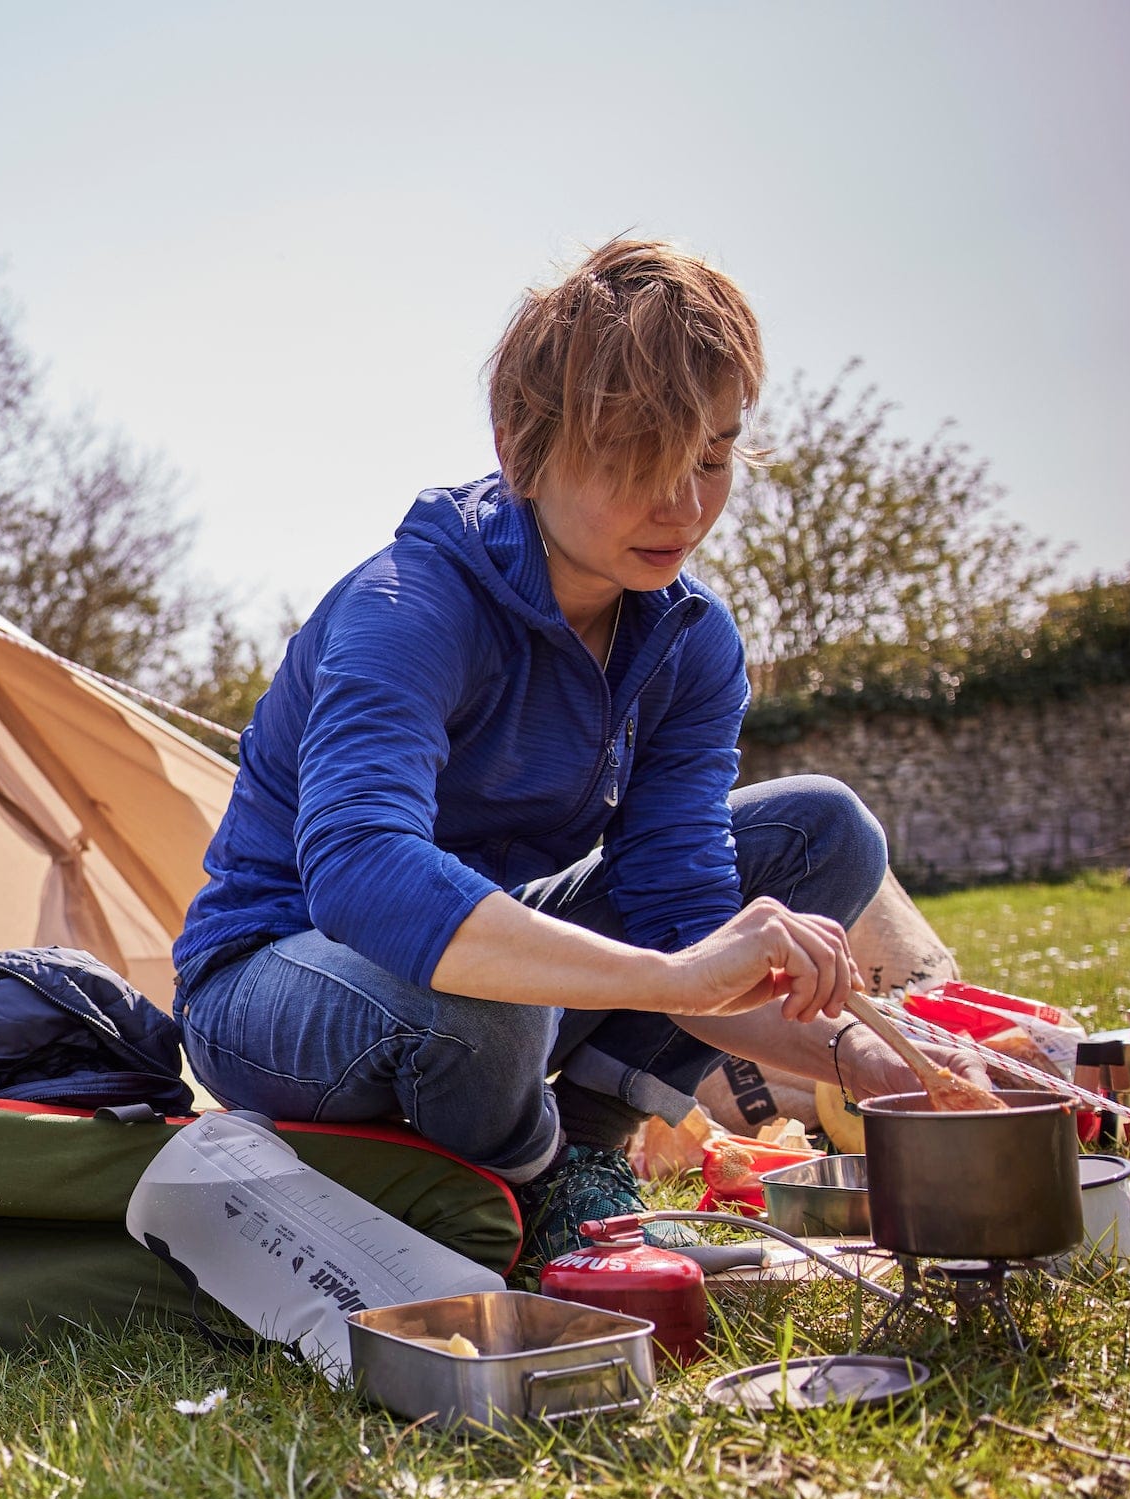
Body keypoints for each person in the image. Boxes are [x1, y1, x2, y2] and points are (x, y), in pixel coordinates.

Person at [168, 239, 971, 1268]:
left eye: (713, 457)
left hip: (492, 984)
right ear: (521, 449)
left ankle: (590, 1149)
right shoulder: (407, 609)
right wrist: (671, 977)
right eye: (638, 459)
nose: (682, 505)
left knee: (817, 831)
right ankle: (537, 1176)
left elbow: (686, 919)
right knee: (483, 993)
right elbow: (364, 873)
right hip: (272, 986)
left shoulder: (689, 642)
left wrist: (866, 1056)